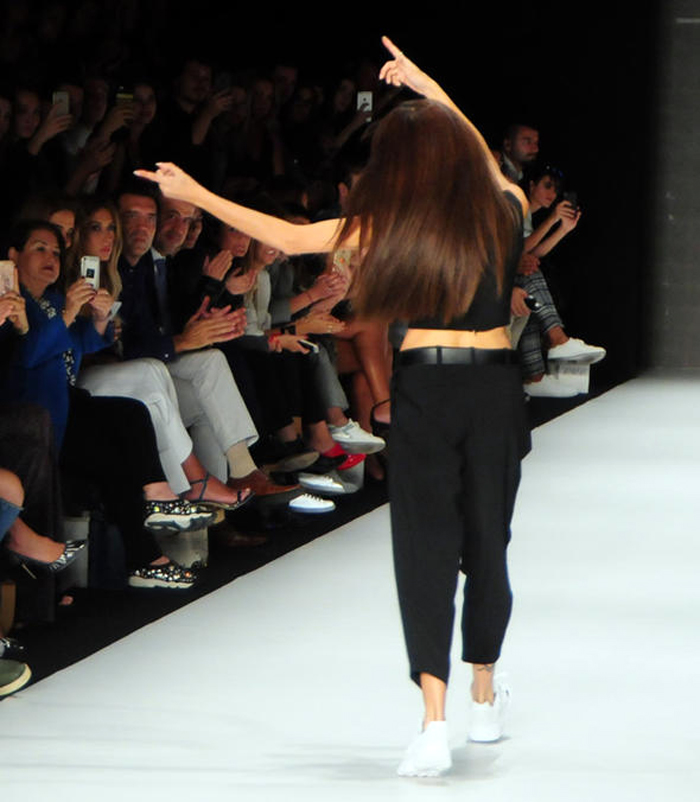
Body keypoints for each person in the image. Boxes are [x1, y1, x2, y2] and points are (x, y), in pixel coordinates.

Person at [136, 35, 531, 776]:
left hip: (425, 391)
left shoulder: (392, 226)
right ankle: (481, 694)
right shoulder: (503, 208)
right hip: (491, 389)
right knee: (486, 543)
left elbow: (287, 237)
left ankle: (433, 721)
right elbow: (480, 155)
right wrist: (429, 86)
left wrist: (197, 194)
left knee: (424, 548)